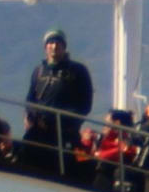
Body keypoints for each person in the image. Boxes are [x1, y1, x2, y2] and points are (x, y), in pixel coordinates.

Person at [22, 29, 95, 173]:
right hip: (38, 131)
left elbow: (84, 105)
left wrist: (61, 121)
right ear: (45, 47)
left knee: (62, 169)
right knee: (25, 159)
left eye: (58, 43)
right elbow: (30, 99)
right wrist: (31, 116)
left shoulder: (78, 71)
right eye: (50, 43)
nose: (54, 46)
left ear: (64, 47)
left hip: (64, 133)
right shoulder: (39, 71)